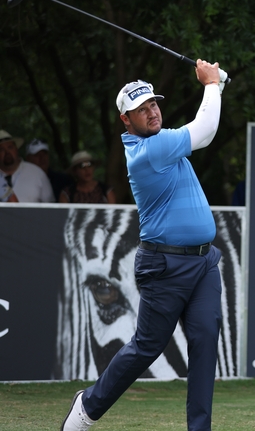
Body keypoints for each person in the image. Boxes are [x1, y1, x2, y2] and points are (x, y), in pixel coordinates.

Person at [61, 60, 224, 431]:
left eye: (153, 104)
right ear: (126, 121)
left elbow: (205, 116)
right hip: (164, 266)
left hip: (203, 264)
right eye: (141, 109)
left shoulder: (163, 140)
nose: (152, 112)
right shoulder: (149, 151)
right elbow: (207, 128)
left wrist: (216, 86)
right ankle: (88, 406)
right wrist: (212, 83)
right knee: (147, 347)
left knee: (204, 342)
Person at [0, 130, 55, 203]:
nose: (7, 153)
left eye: (10, 147)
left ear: (16, 149)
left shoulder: (37, 173)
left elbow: (51, 208)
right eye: (1, 149)